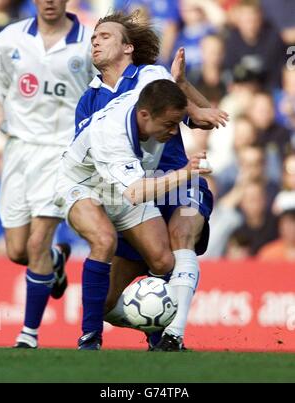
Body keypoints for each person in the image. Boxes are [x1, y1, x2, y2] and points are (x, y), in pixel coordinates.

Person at [74, 12, 228, 351]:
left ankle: (174, 336)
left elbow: (200, 118)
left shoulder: (151, 75)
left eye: (104, 36)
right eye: (93, 37)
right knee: (105, 302)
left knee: (180, 237)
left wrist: (186, 90)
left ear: (128, 47)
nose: (95, 41)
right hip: (133, 197)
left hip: (177, 179)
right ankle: (155, 326)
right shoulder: (88, 100)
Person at [57, 79, 212, 351]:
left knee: (163, 261)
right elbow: (136, 194)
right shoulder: (112, 136)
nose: (174, 131)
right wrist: (186, 172)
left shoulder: (148, 89)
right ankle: (90, 338)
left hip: (126, 185)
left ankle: (160, 336)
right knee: (104, 240)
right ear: (144, 115)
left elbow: (165, 79)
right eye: (169, 125)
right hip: (83, 185)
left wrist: (186, 87)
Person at [0, 0, 94, 348]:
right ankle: (55, 260)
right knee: (18, 251)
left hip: (61, 153)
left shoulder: (87, 42)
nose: (50, 1)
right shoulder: (10, 39)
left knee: (37, 241)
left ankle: (28, 334)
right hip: (19, 149)